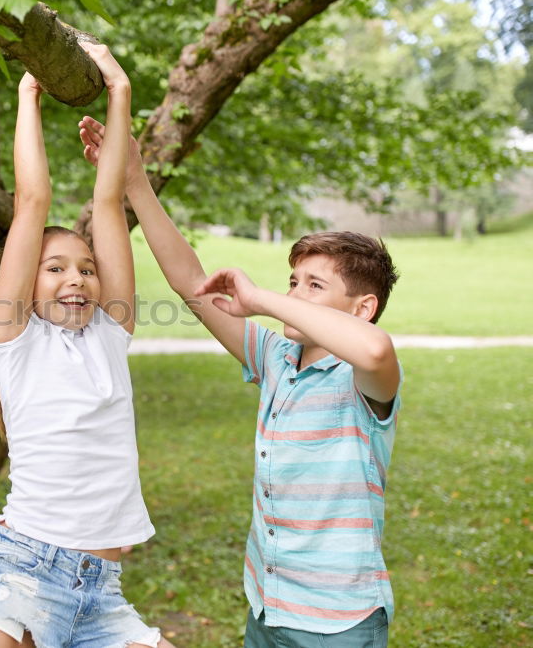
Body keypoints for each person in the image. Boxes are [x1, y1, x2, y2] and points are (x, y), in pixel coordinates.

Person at [79, 116, 403, 647]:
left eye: (314, 285)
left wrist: (261, 300)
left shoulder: (362, 376)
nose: (295, 294)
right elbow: (191, 282)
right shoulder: (277, 357)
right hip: (268, 604)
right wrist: (135, 180)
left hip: (337, 620)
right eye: (291, 281)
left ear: (362, 307)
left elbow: (376, 348)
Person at [0, 43, 176, 648]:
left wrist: (120, 92)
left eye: (86, 267)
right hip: (23, 570)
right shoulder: (13, 341)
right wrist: (28, 93)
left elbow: (107, 202)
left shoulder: (109, 331)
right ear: (27, 282)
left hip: (101, 592)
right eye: (55, 268)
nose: (76, 277)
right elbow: (33, 202)